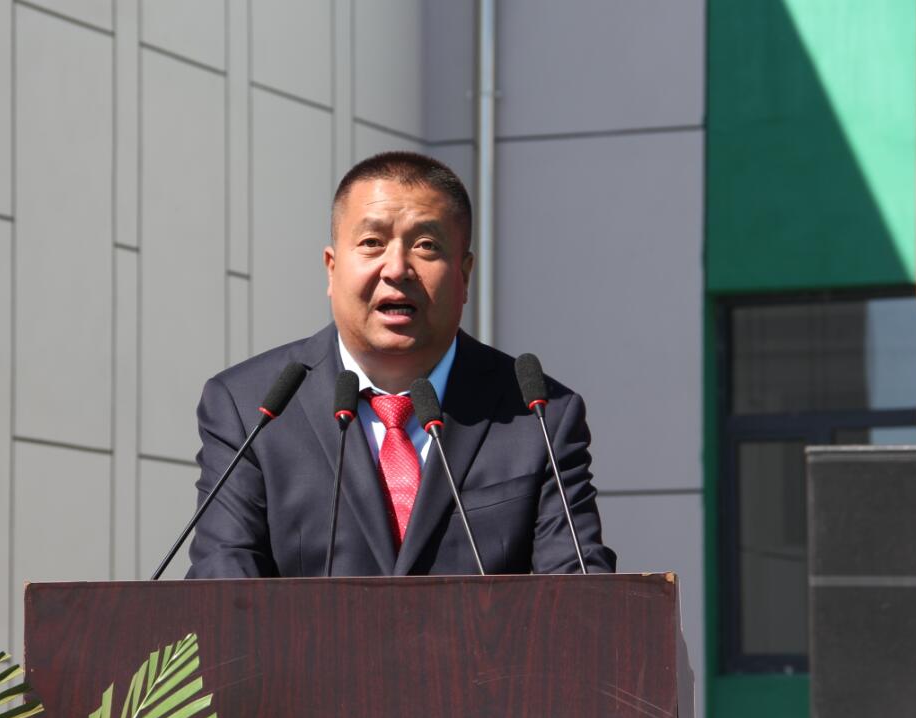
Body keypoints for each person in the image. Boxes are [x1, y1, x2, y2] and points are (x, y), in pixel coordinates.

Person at [186, 152, 615, 577]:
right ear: (332, 269)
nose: (396, 269)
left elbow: (581, 591)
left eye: (426, 245)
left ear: (465, 274)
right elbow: (222, 583)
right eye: (372, 243)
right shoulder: (251, 406)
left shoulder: (538, 414)